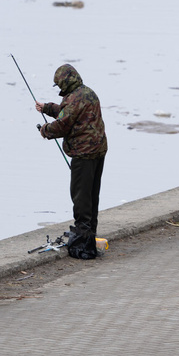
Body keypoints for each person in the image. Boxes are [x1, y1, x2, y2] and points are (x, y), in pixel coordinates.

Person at [36, 63, 108, 260]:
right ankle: (90, 239)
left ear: (65, 82)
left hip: (83, 155)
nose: (59, 88)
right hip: (98, 152)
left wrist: (45, 130)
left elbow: (62, 125)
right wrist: (48, 108)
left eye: (59, 84)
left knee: (81, 199)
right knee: (92, 197)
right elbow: (69, 112)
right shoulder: (87, 92)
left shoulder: (73, 99)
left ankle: (84, 247)